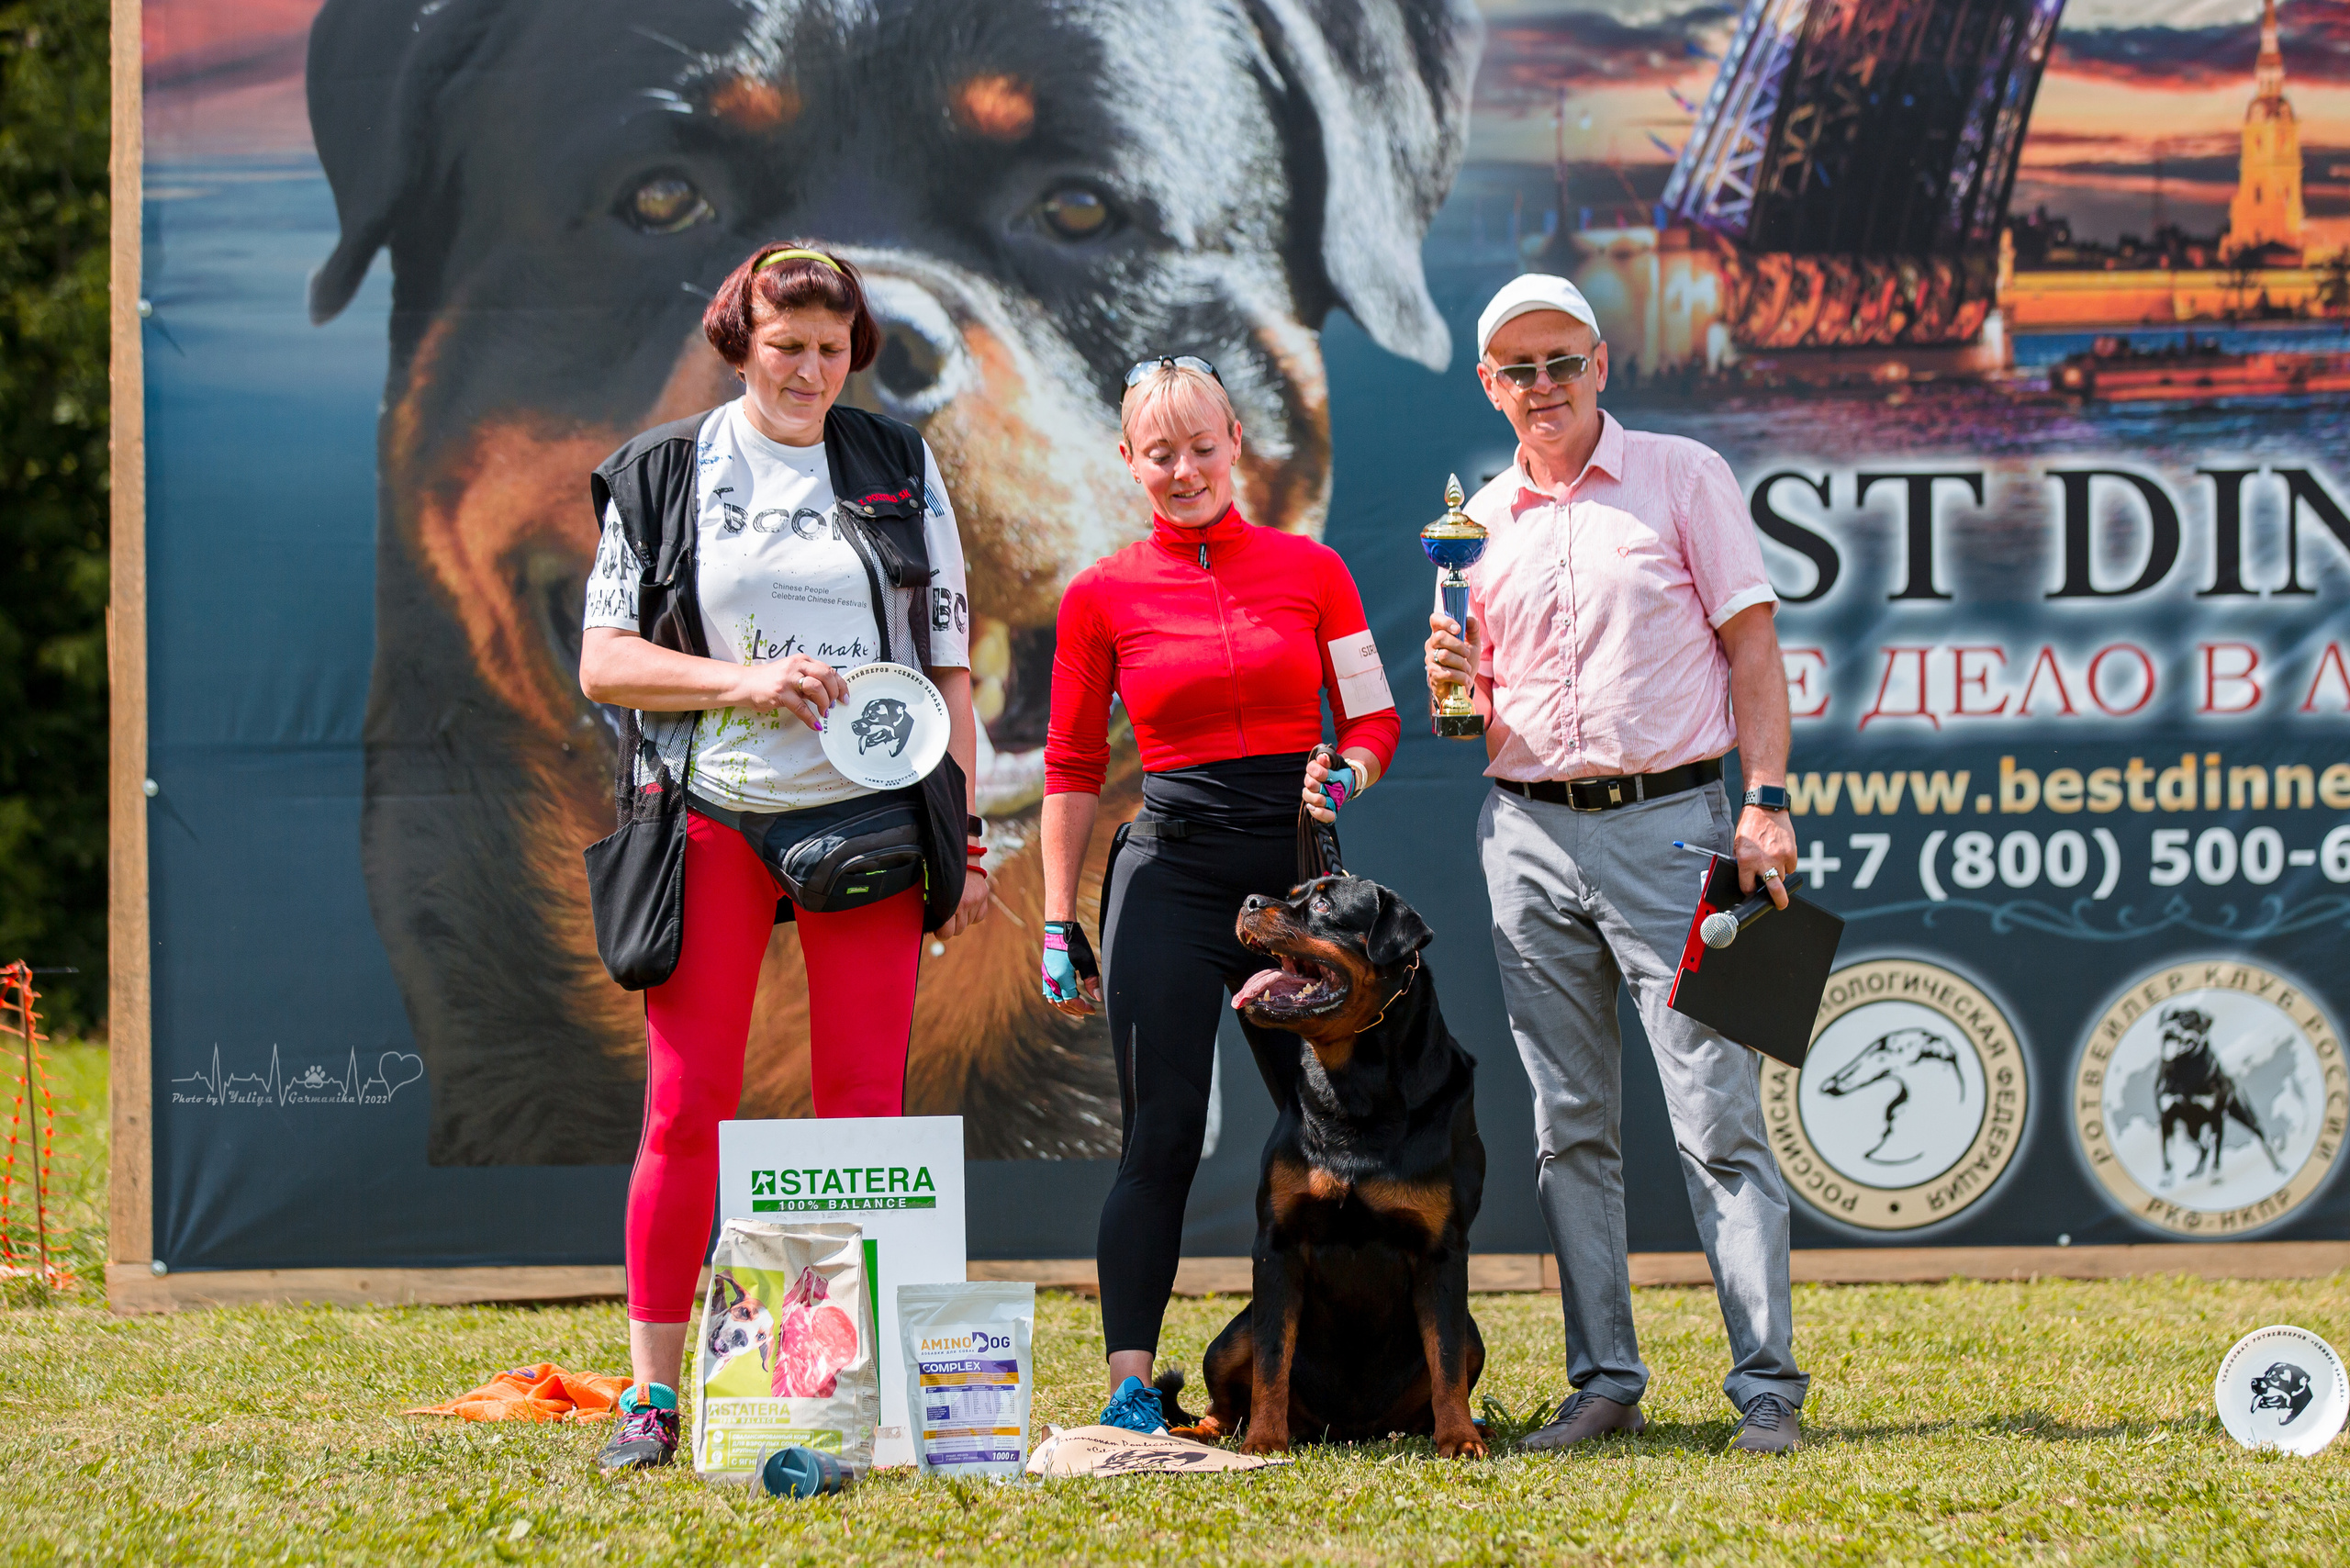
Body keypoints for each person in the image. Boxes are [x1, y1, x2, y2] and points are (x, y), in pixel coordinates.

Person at [576, 241, 991, 1473]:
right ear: (739, 344)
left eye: (830, 349)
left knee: (859, 1111)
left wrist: (962, 837)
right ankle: (652, 1397)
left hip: (865, 815)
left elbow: (951, 665)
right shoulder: (663, 471)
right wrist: (745, 680)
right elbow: (606, 662)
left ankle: (823, 1387)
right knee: (683, 1108)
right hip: (710, 810)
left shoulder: (900, 461)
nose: (809, 370)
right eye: (785, 347)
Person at [1422, 275, 1808, 1454]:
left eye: (1560, 362)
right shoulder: (1476, 520)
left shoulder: (1684, 474)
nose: (1542, 387)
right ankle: (1603, 1381)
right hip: (1524, 832)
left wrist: (1771, 803)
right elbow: (1469, 711)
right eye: (1517, 371)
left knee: (1717, 1118)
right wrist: (1453, 669)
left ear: (1599, 363)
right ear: (1489, 387)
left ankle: (1767, 1390)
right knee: (1567, 1121)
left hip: (1679, 826)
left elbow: (1752, 650)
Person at [1041, 357, 1401, 1433]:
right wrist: (1059, 919)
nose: (1185, 469)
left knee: (1333, 1136)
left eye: (1202, 446)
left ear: (1238, 440)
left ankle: (1349, 1371)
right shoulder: (1099, 592)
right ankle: (1131, 1382)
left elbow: (1376, 721)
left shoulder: (1314, 569)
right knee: (1159, 1137)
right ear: (1128, 462)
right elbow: (1065, 766)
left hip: (1299, 884)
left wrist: (1347, 772)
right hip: (1169, 874)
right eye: (1161, 453)